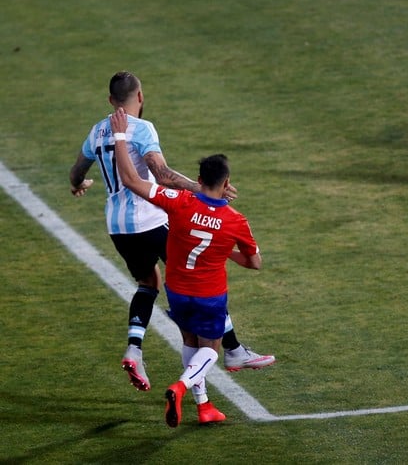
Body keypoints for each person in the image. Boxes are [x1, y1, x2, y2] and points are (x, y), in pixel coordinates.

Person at [69, 71, 274, 393]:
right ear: (140, 97)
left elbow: (76, 171)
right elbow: (162, 175)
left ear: (111, 101)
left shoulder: (96, 131)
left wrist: (80, 185)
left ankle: (134, 350)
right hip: (150, 219)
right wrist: (204, 189)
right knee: (202, 268)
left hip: (117, 226)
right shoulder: (142, 128)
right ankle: (233, 351)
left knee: (148, 283)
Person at [109, 107, 262, 426]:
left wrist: (120, 136)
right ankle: (181, 386)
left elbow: (132, 179)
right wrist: (229, 254)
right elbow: (254, 262)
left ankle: (204, 406)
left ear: (199, 180)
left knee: (190, 342)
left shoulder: (177, 201)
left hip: (176, 292)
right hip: (210, 296)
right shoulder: (235, 221)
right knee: (211, 350)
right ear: (226, 182)